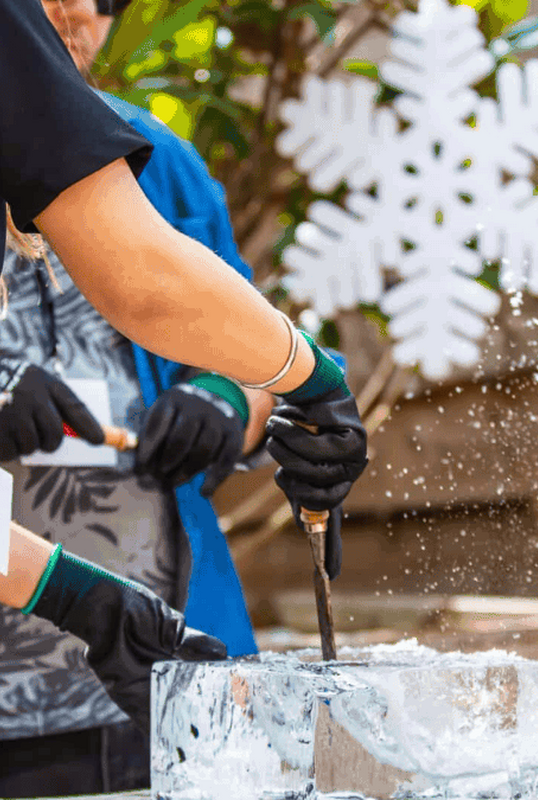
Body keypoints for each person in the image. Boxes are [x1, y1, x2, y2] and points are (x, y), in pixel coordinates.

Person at [0, 0, 367, 789]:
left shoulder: (161, 159)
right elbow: (144, 281)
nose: (66, 9)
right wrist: (318, 379)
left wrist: (236, 399)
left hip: (157, 670)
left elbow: (222, 330)